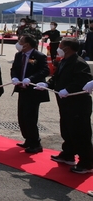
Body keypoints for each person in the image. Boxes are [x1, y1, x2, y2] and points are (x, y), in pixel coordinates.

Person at [36, 38, 93, 174]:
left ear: (67, 48)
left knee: (80, 133)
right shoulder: (64, 61)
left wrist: (69, 89)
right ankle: (68, 154)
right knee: (67, 129)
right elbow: (56, 77)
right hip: (66, 103)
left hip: (78, 104)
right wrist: (47, 84)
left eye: (60, 46)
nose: (58, 48)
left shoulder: (79, 63)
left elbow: (83, 81)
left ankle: (87, 163)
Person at [10, 35, 50, 153]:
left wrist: (31, 79)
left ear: (27, 44)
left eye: (21, 41)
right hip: (22, 89)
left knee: (30, 117)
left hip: (33, 91)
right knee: (22, 116)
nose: (19, 43)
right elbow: (14, 69)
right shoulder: (19, 55)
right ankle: (28, 139)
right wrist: (14, 78)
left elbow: (45, 71)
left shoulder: (39, 56)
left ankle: (36, 143)